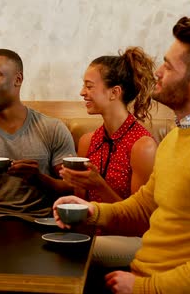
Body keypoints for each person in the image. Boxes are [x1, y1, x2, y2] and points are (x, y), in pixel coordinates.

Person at [53, 17, 190, 293]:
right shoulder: (179, 135)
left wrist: (146, 287)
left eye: (169, 65)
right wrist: (91, 212)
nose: (158, 72)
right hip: (142, 273)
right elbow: (144, 207)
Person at [59, 47, 158, 267]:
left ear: (114, 92)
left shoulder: (143, 147)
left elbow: (140, 222)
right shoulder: (88, 141)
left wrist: (99, 185)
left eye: (89, 86)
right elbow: (81, 205)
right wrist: (72, 187)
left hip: (133, 240)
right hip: (93, 233)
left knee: (73, 250)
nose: (82, 92)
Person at [0, 49, 75, 218]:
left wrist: (39, 178)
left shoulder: (52, 128)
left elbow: (72, 187)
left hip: (42, 227)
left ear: (18, 79)